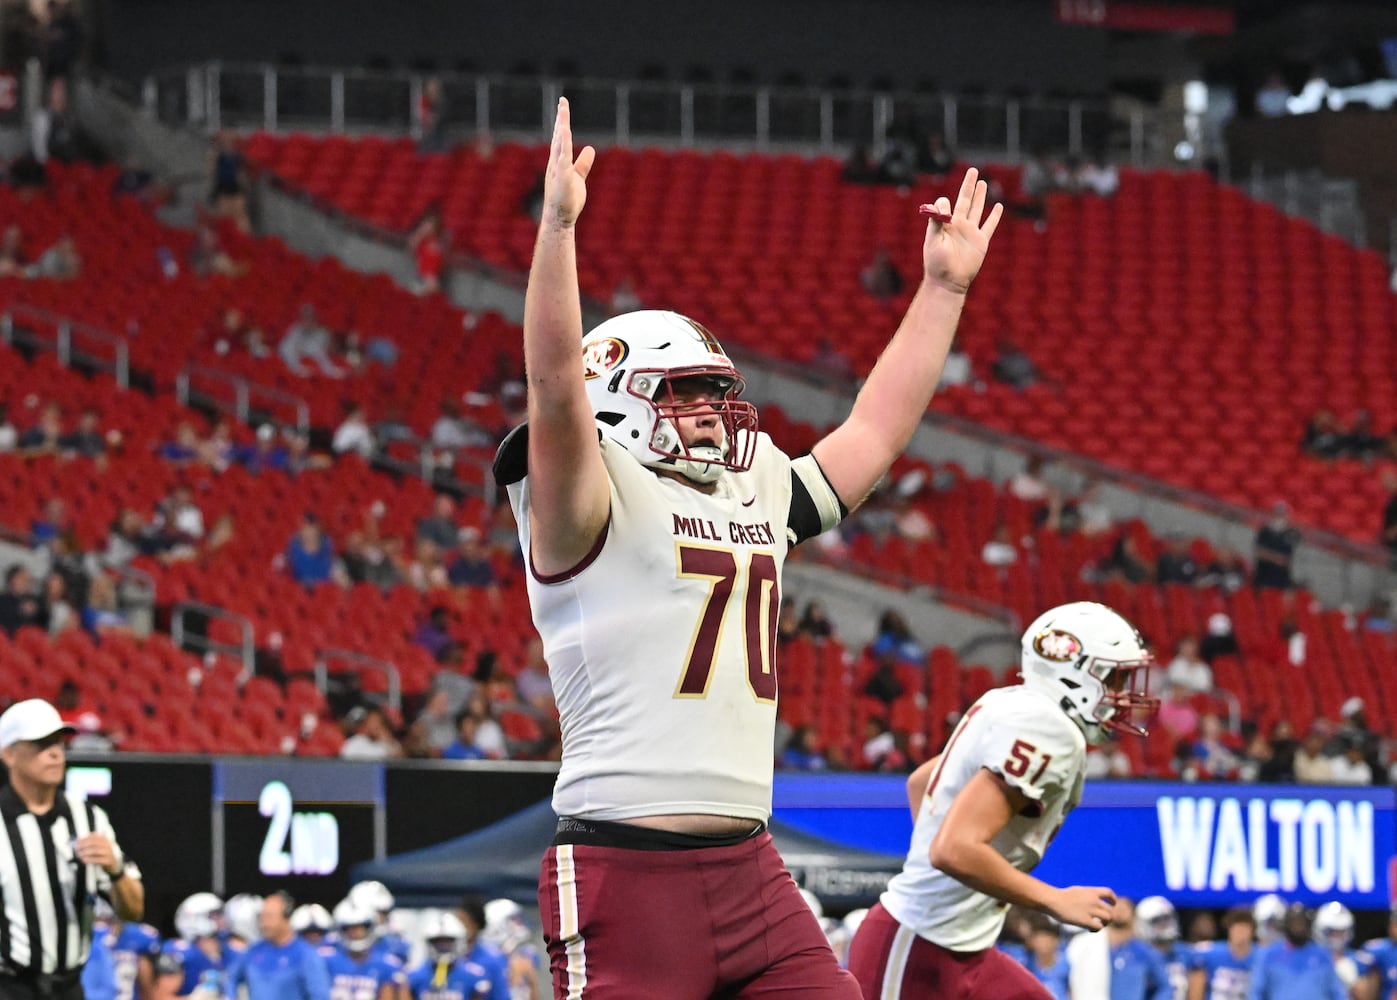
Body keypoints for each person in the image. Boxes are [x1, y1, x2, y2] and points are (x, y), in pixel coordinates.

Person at [496, 97, 1002, 999]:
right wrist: (558, 232)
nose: (711, 413)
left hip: (751, 865)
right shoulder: (585, 495)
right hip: (625, 870)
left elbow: (874, 436)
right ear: (619, 397)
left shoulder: (751, 481)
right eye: (685, 392)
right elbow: (553, 382)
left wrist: (944, 289)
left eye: (715, 392)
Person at [847, 602, 1157, 998]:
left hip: (964, 947)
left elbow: (921, 782)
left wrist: (948, 867)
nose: (1119, 694)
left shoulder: (1012, 703)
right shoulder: (1048, 729)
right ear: (1074, 674)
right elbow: (953, 848)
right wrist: (1055, 900)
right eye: (1112, 679)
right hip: (917, 947)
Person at [0, 699, 144, 1000]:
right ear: (8, 754)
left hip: (69, 989)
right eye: (40, 744)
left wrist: (115, 870)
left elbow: (134, 910)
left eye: (58, 742)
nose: (55, 753)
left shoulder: (89, 818)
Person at [224, 894, 330, 1000]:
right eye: (262, 917)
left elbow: (319, 996)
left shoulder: (306, 955)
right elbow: (230, 979)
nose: (264, 923)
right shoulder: (253, 952)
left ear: (286, 919)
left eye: (269, 917)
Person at [1248, 904, 1345, 1000]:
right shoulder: (1269, 955)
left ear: (1308, 925)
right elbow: (1257, 992)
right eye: (1294, 923)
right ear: (1286, 924)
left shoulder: (1322, 955)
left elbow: (1337, 993)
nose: (1298, 927)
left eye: (1301, 923)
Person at [324, 899, 406, 1000]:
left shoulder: (387, 964)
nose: (355, 934)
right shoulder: (325, 960)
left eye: (360, 927)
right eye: (349, 928)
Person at [405, 910, 494, 1000]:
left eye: (448, 942)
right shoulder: (414, 975)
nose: (443, 948)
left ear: (459, 942)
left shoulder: (475, 975)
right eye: (438, 943)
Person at [155, 893, 228, 1000]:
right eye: (215, 916)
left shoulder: (226, 952)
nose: (221, 921)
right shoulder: (180, 952)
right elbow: (158, 997)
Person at [1311, 902, 1379, 1000]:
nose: (1337, 937)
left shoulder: (1358, 959)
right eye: (1333, 932)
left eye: (1341, 932)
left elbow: (1367, 997)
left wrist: (1353, 981)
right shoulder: (1311, 958)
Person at [1187, 905, 1254, 1000]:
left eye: (1245, 927)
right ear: (1229, 928)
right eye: (1237, 926)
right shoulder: (1211, 953)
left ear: (1252, 930)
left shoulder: (1260, 956)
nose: (1241, 931)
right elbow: (1196, 988)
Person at [1133, 896, 1189, 998]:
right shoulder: (1137, 957)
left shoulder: (1184, 953)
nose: (1165, 924)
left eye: (1167, 918)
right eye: (1157, 920)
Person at [1253, 503, 1299, 590]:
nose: (1279, 517)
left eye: (1282, 514)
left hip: (1280, 579)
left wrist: (1268, 555)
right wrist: (1275, 557)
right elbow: (1260, 553)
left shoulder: (1292, 533)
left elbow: (1284, 559)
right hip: (1263, 575)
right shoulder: (1264, 531)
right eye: (1277, 514)